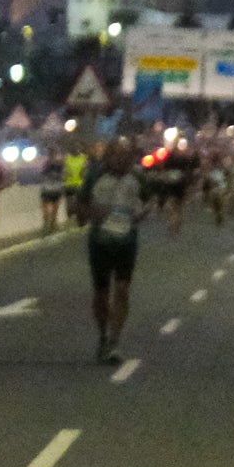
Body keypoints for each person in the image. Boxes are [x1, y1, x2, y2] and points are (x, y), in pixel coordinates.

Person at [84, 137, 150, 363]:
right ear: (109, 156)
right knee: (101, 293)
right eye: (116, 154)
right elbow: (79, 206)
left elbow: (148, 201)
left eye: (125, 155)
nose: (121, 159)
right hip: (99, 242)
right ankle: (103, 335)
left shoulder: (138, 177)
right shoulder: (94, 176)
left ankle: (114, 340)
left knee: (122, 290)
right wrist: (95, 214)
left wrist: (140, 214)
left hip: (126, 242)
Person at [63, 140, 91, 227]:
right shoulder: (66, 158)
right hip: (69, 184)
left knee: (80, 205)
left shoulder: (84, 158)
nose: (75, 149)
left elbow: (87, 170)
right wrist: (65, 174)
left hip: (80, 184)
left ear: (80, 148)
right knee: (69, 206)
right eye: (73, 147)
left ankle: (81, 221)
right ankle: (70, 220)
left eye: (77, 147)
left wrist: (85, 170)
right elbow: (64, 171)